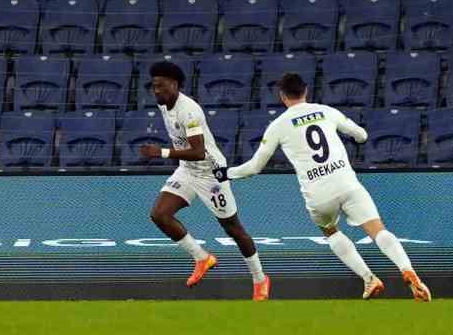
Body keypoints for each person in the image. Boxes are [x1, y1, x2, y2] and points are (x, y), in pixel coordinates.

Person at [227, 73, 431, 302]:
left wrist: (227, 174)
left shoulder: (278, 126)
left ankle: (368, 278)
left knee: (331, 231)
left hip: (318, 194)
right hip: (346, 183)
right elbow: (362, 135)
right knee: (378, 230)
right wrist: (355, 138)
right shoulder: (326, 111)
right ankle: (407, 270)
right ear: (306, 91)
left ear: (282, 97)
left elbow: (254, 167)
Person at [136, 61, 272, 298]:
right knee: (159, 214)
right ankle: (202, 257)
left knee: (234, 229)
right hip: (188, 170)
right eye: (153, 87)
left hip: (211, 173)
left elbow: (198, 151)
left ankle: (260, 279)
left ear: (175, 85)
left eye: (161, 86)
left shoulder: (189, 110)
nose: (156, 91)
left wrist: (162, 152)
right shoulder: (164, 104)